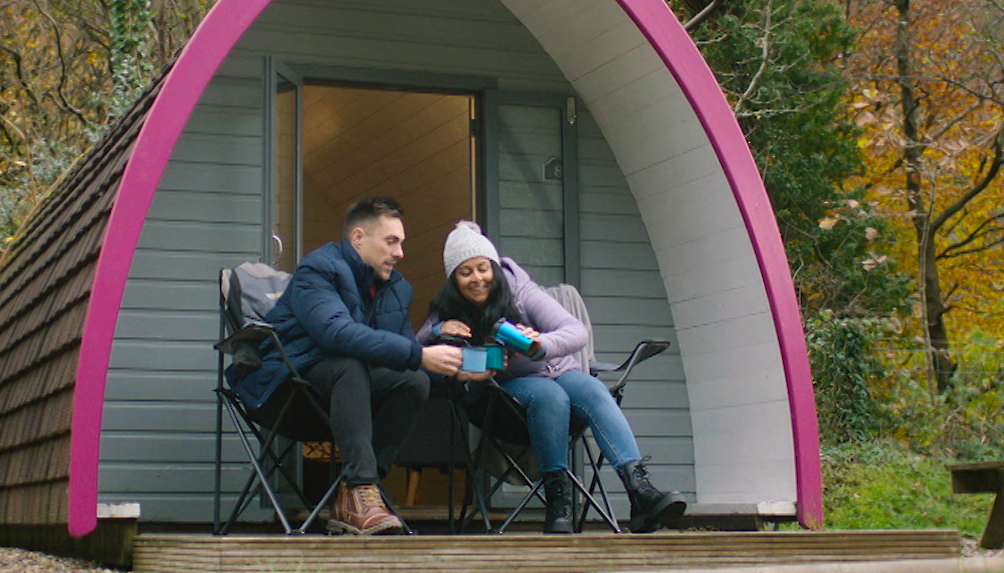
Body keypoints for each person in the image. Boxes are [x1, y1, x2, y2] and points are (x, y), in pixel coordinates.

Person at [418, 220, 686, 534]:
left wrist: (539, 345)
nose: (477, 279)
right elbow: (416, 347)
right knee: (550, 395)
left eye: (483, 268)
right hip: (505, 401)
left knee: (593, 389)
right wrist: (440, 329)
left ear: (494, 267)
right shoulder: (449, 310)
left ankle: (640, 491)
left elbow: (576, 332)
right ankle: (558, 500)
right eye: (466, 272)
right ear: (453, 279)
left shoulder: (520, 292)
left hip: (560, 373)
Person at [230, 197, 467, 536]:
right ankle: (360, 489)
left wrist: (458, 373)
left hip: (345, 399)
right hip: (285, 390)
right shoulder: (319, 269)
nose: (400, 252)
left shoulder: (397, 289)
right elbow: (336, 334)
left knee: (413, 380)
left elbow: (400, 360)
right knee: (349, 362)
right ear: (358, 238)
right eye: (391, 241)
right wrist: (419, 354)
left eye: (401, 243)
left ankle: (357, 491)